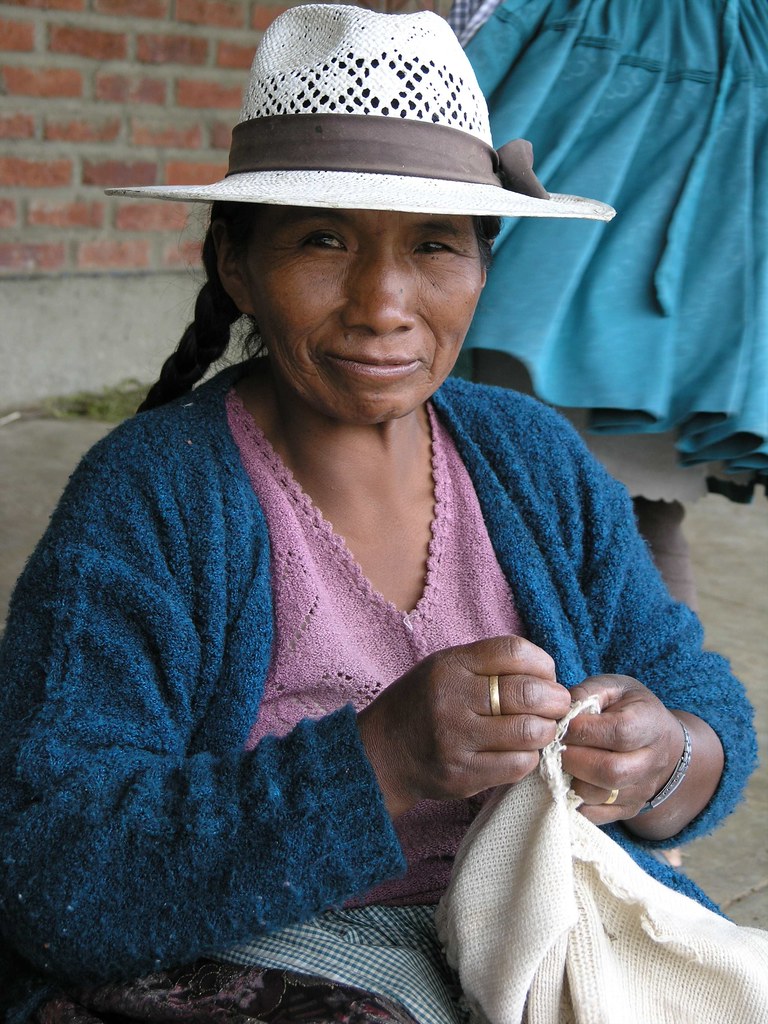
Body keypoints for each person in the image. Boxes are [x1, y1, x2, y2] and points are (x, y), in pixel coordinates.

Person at [0, 5, 757, 1022]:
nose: (384, 302)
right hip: (259, 949)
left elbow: (696, 698)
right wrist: (379, 760)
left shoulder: (531, 458)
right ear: (237, 264)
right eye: (323, 240)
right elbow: (50, 871)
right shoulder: (152, 500)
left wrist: (663, 756)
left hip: (537, 925)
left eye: (436, 246)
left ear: (485, 264)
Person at [448, 0, 768, 612]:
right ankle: (660, 696)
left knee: (519, 499)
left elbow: (469, 40)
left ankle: (649, 696)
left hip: (624, 117)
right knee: (624, 510)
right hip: (703, 130)